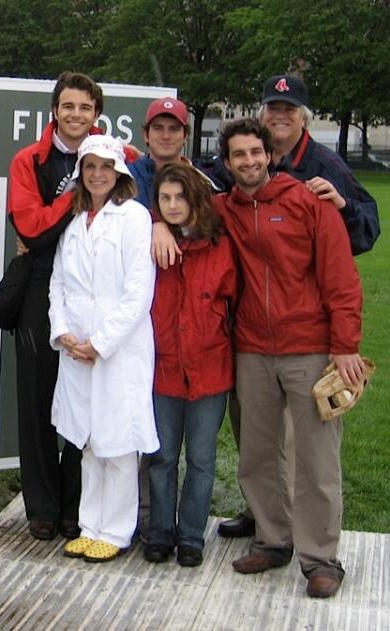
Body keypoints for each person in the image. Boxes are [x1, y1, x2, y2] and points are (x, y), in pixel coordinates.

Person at [213, 74, 380, 540]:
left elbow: (358, 242)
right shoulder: (228, 193)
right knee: (258, 447)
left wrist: (342, 206)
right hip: (251, 341)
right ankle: (270, 529)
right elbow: (184, 193)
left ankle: (319, 552)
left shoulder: (322, 174)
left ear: (301, 118)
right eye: (272, 108)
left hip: (307, 335)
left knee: (312, 453)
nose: (279, 116)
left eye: (288, 110)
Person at [5, 71, 107, 541]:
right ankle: (42, 505)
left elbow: (155, 183)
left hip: (92, 289)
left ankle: (77, 504)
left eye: (85, 108)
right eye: (68, 106)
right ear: (54, 111)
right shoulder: (29, 161)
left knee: (87, 398)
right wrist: (74, 196)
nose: (76, 116)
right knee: (39, 399)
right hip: (40, 286)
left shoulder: (113, 157)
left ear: (96, 115)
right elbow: (31, 230)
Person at [48, 135, 158, 563]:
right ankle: (89, 525)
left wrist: (101, 342)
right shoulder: (74, 224)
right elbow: (58, 282)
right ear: (80, 173)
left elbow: (137, 292)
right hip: (76, 351)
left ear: (119, 174)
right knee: (89, 442)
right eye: (89, 166)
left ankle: (116, 530)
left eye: (105, 167)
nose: (97, 174)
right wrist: (64, 334)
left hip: (118, 351)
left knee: (117, 443)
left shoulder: (133, 218)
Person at [143, 163, 236, 568]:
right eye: (165, 198)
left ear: (195, 198)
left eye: (180, 197)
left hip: (210, 370)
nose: (173, 205)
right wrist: (153, 224)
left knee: (200, 459)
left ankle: (192, 534)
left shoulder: (220, 247)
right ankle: (160, 529)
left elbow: (233, 302)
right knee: (162, 456)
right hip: (164, 369)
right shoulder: (150, 242)